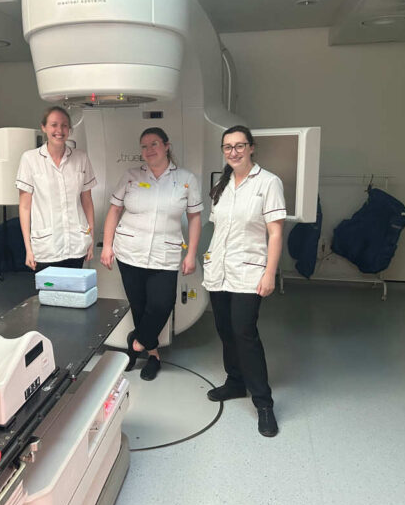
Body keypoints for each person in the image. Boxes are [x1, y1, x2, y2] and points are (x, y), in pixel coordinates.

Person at [202, 125, 285, 437]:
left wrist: (269, 273)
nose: (233, 152)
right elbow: (219, 230)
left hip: (250, 273)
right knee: (225, 330)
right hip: (219, 271)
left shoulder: (268, 183)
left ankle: (264, 403)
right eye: (227, 147)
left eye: (239, 146)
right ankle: (236, 383)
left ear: (251, 148)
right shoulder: (221, 185)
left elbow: (275, 232)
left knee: (244, 332)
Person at [101, 127, 203, 381]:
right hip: (129, 252)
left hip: (165, 255)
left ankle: (135, 344)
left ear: (167, 146)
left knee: (161, 304)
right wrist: (107, 245)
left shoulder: (186, 179)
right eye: (144, 146)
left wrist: (191, 253)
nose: (149, 150)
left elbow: (194, 218)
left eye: (154, 144)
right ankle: (153, 356)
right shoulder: (131, 176)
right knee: (140, 306)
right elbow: (114, 211)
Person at [16, 106, 96, 272]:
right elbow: (24, 207)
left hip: (77, 245)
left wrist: (91, 239)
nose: (59, 130)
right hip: (47, 247)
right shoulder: (30, 159)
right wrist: (28, 249)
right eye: (54, 125)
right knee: (49, 296)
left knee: (74, 296)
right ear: (44, 127)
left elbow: (87, 201)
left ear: (70, 130)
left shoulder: (81, 158)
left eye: (64, 125)